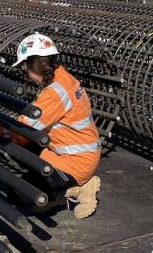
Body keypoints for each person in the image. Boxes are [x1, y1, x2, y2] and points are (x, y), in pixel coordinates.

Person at [7, 32, 102, 218]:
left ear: (33, 65)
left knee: (17, 193)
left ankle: (74, 189)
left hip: (75, 162)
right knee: (23, 149)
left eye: (24, 69)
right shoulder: (62, 77)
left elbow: (21, 129)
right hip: (72, 153)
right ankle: (66, 187)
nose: (25, 75)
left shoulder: (55, 93)